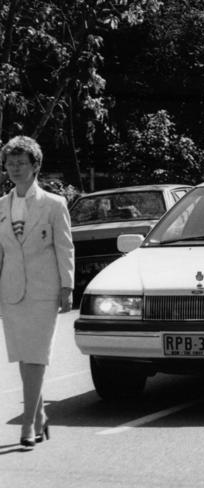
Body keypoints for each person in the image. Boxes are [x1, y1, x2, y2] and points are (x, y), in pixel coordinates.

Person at [0, 136, 74, 450]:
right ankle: (41, 414)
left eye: (21, 163)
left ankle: (28, 423)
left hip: (45, 291)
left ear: (35, 166)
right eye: (10, 163)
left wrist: (67, 287)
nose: (15, 168)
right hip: (11, 292)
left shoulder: (54, 205)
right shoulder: (2, 206)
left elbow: (65, 247)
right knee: (23, 356)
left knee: (36, 356)